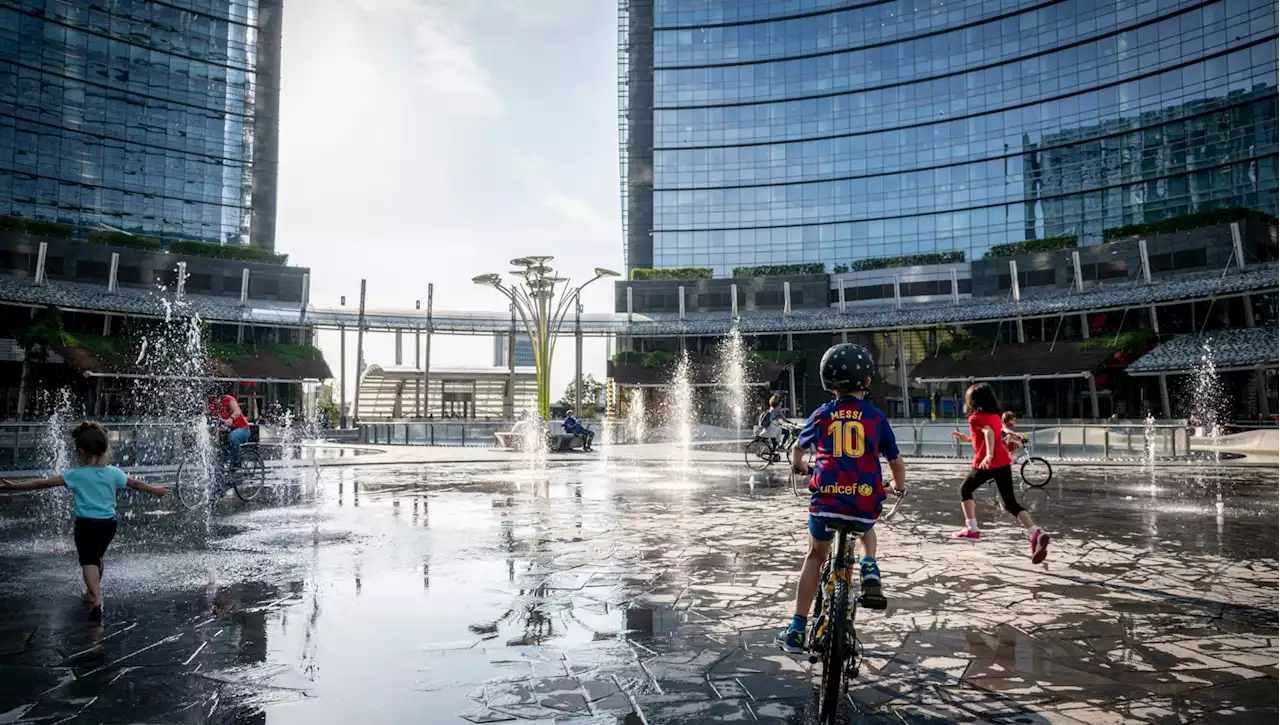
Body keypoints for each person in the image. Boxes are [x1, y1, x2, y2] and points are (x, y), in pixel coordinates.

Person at [776, 343, 907, 654]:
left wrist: (801, 467)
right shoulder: (875, 417)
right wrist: (897, 486)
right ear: (868, 382)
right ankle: (870, 566)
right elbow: (895, 461)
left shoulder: (822, 414)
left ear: (827, 382)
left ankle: (796, 629)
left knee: (814, 556)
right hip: (864, 501)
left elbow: (797, 450)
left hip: (826, 502)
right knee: (866, 529)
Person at [0, 422, 170, 620]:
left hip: (86, 525)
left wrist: (14, 486)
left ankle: (97, 597)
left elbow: (43, 483)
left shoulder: (75, 475)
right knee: (97, 558)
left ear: (80, 451)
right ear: (105, 449)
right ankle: (91, 593)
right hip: (108, 525)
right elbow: (136, 484)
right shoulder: (113, 472)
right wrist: (156, 491)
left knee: (88, 561)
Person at [948, 383, 1050, 562]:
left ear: (973, 400)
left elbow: (988, 434)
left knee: (964, 490)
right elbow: (990, 432)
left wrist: (987, 455)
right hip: (1003, 462)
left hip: (987, 463)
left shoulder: (975, 418)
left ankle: (971, 528)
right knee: (1011, 504)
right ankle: (1035, 533)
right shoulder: (994, 416)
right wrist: (967, 439)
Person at [212, 393, 251, 467]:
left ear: (219, 397)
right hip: (231, 430)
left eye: (215, 399)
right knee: (220, 447)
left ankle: (237, 461)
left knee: (232, 436)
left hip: (243, 429)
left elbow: (237, 411)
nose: (214, 402)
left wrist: (231, 419)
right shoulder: (216, 407)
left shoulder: (228, 399)